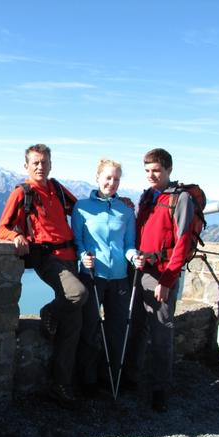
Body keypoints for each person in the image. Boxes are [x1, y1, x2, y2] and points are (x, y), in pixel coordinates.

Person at [0, 143, 88, 409]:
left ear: (50, 164)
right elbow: (1, 227)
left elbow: (81, 210)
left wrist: (118, 203)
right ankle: (49, 311)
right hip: (48, 259)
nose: (40, 166)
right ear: (26, 166)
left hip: (72, 258)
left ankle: (61, 385)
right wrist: (16, 235)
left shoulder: (57, 189)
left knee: (73, 327)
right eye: (35, 162)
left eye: (44, 162)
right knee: (77, 294)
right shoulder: (22, 192)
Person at [125, 147, 194, 412]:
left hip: (161, 276)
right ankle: (131, 377)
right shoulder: (147, 197)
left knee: (161, 333)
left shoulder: (181, 199)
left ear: (168, 170)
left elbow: (183, 242)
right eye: (147, 171)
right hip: (140, 271)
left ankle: (160, 390)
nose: (151, 175)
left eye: (156, 170)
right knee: (137, 328)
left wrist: (167, 280)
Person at [71, 158, 137, 397]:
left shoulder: (126, 210)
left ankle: (110, 377)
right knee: (89, 328)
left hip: (119, 277)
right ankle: (87, 380)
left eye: (116, 179)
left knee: (117, 329)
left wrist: (134, 257)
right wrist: (82, 257)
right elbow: (77, 241)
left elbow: (129, 244)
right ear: (97, 177)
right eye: (108, 177)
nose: (112, 182)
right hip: (92, 275)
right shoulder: (81, 207)